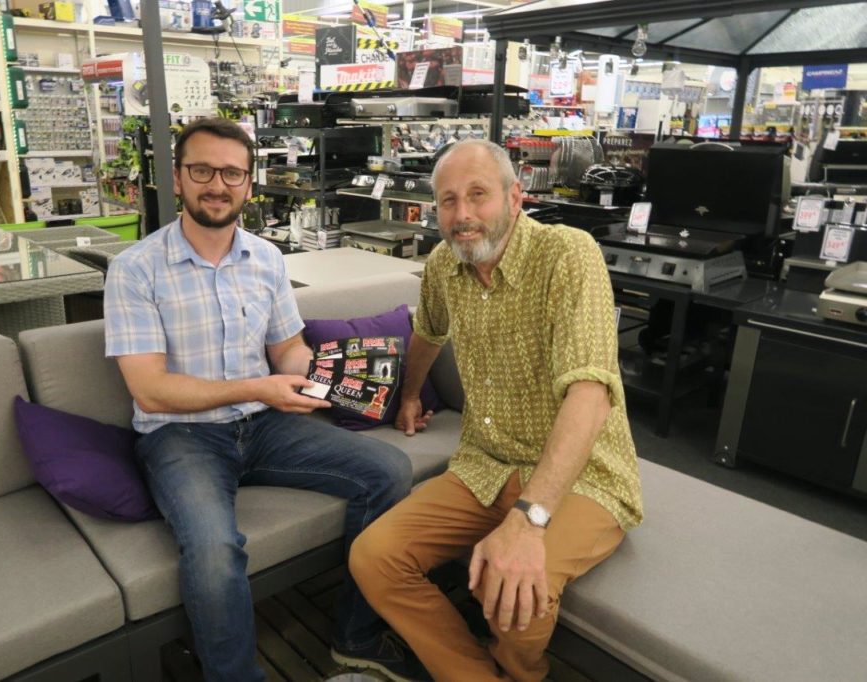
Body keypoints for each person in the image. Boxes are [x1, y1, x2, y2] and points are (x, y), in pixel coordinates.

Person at [104, 117, 424, 682]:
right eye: (201, 170)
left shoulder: (267, 259)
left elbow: (287, 351)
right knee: (213, 549)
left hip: (266, 424)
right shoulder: (135, 269)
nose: (217, 184)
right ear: (177, 178)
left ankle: (356, 638)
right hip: (181, 436)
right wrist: (260, 388)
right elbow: (149, 388)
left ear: (250, 185)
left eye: (232, 173)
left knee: (391, 471)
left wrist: (334, 375)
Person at [349, 139, 644, 682]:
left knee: (513, 592)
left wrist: (530, 521)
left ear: (515, 197)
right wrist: (410, 395)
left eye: (478, 195)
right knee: (374, 556)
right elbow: (427, 333)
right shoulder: (443, 264)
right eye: (447, 200)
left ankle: (520, 670)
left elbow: (590, 392)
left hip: (584, 477)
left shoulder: (568, 255)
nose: (462, 216)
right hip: (485, 464)